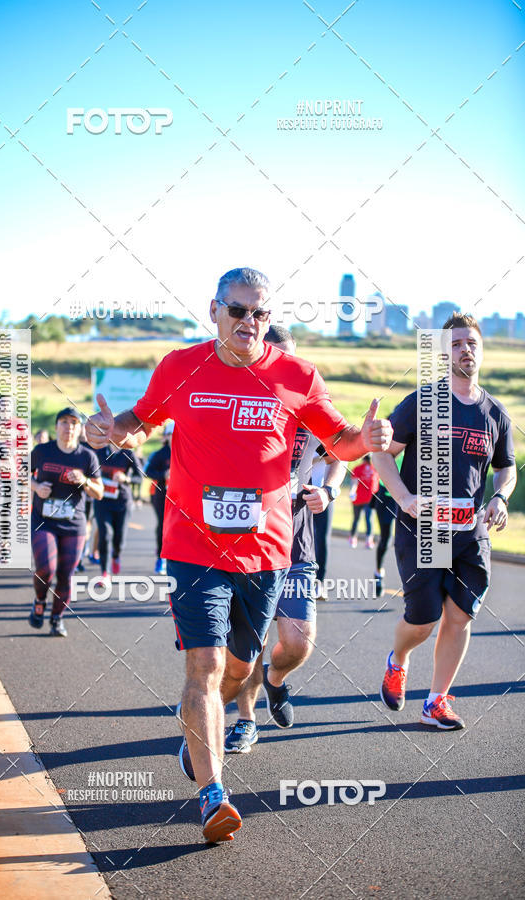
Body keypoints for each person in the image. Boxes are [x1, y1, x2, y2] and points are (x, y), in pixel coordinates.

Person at [85, 267, 392, 843]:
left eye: (260, 313)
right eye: (238, 310)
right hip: (192, 548)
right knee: (203, 666)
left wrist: (366, 441)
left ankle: (196, 738)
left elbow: (340, 439)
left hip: (268, 552)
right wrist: (113, 430)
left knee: (241, 669)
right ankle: (212, 795)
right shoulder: (181, 366)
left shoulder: (297, 375)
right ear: (214, 310)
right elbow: (141, 419)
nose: (249, 322)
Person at [374, 313, 516, 729]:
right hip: (423, 530)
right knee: (424, 619)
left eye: (471, 343)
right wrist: (402, 496)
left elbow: (507, 467)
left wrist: (501, 496)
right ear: (442, 353)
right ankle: (398, 660)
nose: (465, 350)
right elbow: (381, 451)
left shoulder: (496, 413)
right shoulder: (422, 401)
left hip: (471, 532)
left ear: (481, 349)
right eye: (455, 345)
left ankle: (436, 700)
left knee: (460, 616)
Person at [223, 325, 345, 753]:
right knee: (247, 642)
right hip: (242, 543)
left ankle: (276, 679)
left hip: (294, 540)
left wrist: (328, 490)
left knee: (297, 642)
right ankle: (244, 721)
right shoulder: (236, 405)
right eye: (275, 355)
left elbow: (341, 453)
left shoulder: (308, 405)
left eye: (289, 357)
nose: (282, 365)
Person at [29, 408, 103, 637]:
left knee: (65, 574)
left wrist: (84, 481)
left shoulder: (87, 457)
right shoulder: (42, 451)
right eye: (63, 422)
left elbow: (99, 493)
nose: (68, 426)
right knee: (46, 568)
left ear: (80, 429)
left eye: (74, 422)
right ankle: (40, 600)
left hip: (74, 525)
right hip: (45, 521)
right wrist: (36, 487)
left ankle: (57, 618)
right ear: (56, 426)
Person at [94, 444, 138, 582]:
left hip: (122, 502)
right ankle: (105, 573)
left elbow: (140, 477)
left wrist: (126, 479)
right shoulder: (99, 452)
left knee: (119, 538)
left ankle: (116, 555)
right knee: (105, 535)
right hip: (102, 500)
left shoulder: (128, 454)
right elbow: (88, 471)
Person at [145, 423, 172, 574]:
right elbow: (147, 471)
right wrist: (163, 474)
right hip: (161, 493)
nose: (174, 437)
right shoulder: (160, 454)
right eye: (171, 434)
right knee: (163, 525)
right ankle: (160, 558)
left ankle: (178, 558)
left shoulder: (188, 452)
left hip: (182, 496)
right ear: (166, 437)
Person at [312, 444, 340, 586]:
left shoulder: (321, 431)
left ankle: (319, 582)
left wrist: (328, 491)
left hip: (322, 493)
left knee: (321, 538)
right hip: (294, 494)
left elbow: (337, 458)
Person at [371, 481, 397, 597]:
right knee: (386, 541)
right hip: (387, 499)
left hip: (411, 497)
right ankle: (378, 573)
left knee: (409, 542)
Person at [348, 454, 379, 548]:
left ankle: (353, 539)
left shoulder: (358, 468)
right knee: (369, 519)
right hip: (369, 499)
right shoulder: (375, 469)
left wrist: (352, 492)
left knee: (357, 519)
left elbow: (354, 483)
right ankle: (368, 540)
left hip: (359, 498)